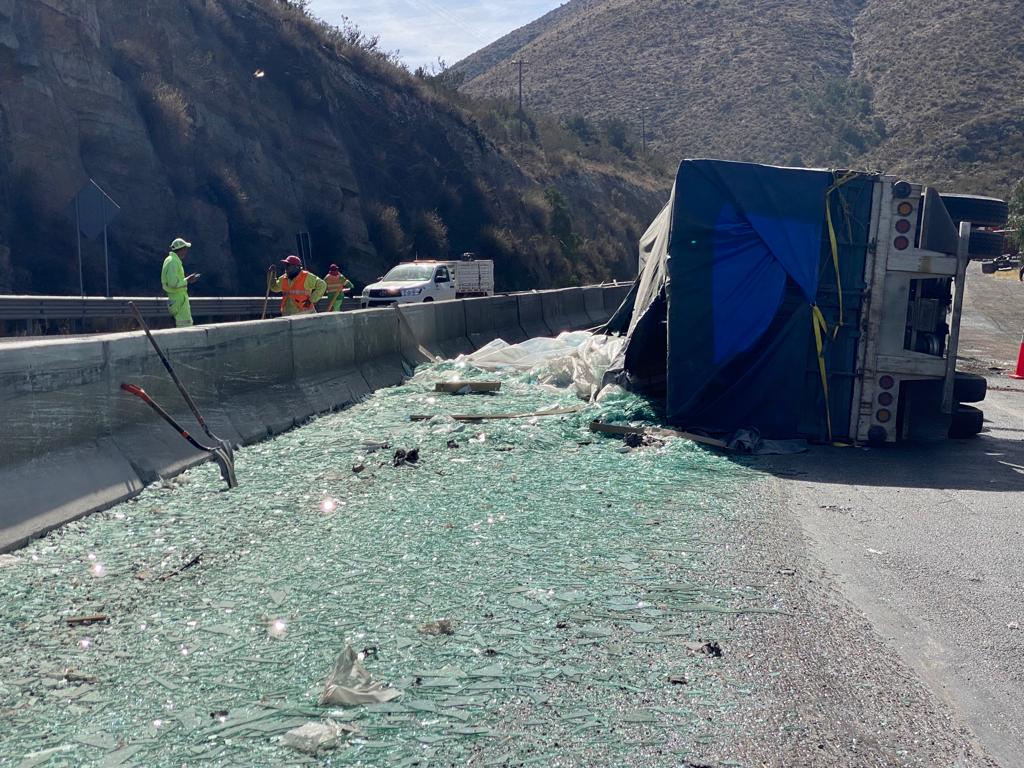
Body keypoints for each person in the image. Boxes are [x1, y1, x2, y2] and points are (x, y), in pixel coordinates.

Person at [161, 238, 200, 327]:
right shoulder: (173, 262)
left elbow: (174, 281)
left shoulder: (171, 260)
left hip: (177, 298)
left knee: (184, 325)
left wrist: (186, 280)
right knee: (185, 326)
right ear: (181, 249)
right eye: (185, 249)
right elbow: (173, 283)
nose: (186, 251)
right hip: (178, 299)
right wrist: (187, 280)